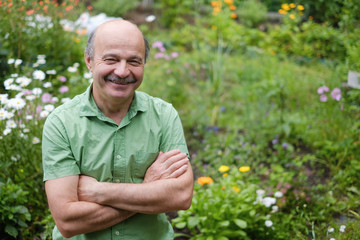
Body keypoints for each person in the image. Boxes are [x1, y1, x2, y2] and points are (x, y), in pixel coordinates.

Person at [42, 19, 194, 239]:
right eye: (111, 59)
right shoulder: (62, 123)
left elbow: (180, 197)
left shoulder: (164, 116)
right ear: (89, 61)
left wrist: (99, 192)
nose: (122, 71)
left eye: (134, 61)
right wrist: (148, 188)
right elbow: (67, 221)